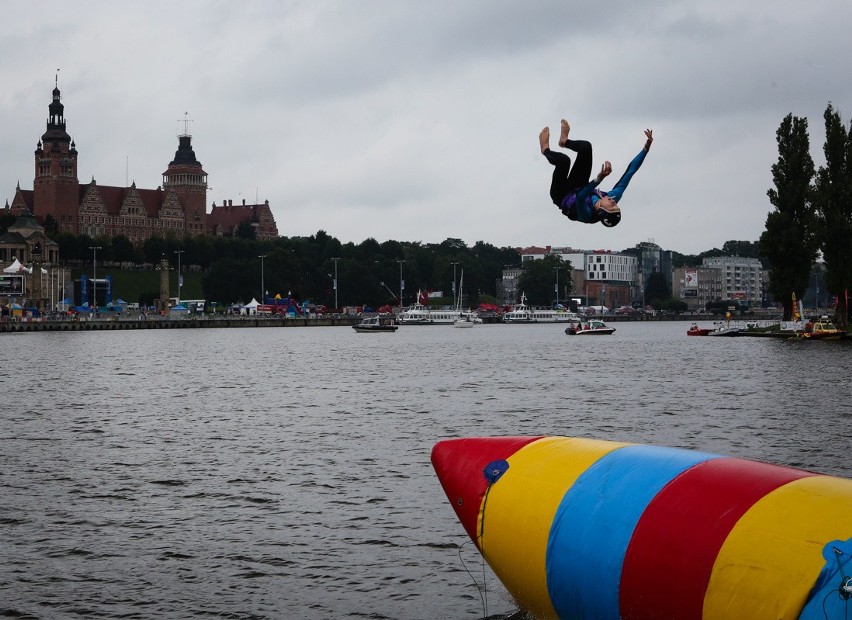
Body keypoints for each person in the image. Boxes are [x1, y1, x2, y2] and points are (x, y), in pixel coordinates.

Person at [539, 120, 653, 227]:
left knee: (564, 161)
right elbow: (630, 172)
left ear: (602, 211)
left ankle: (545, 150)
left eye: (612, 207)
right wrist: (645, 149)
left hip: (561, 194)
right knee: (586, 147)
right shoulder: (612, 197)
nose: (614, 202)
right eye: (617, 206)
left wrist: (599, 178)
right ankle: (564, 141)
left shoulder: (587, 215)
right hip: (579, 185)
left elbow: (580, 197)